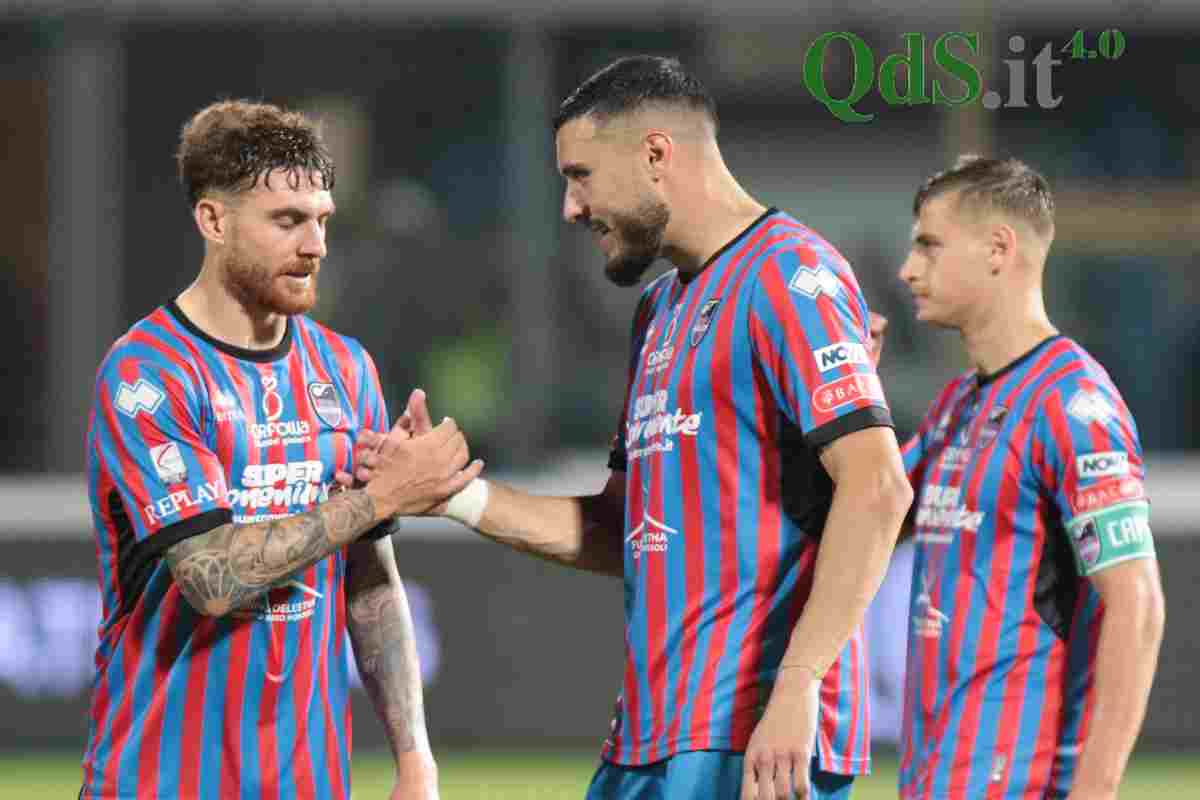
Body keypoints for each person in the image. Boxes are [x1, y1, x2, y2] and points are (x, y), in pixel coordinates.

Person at [347, 56, 911, 800]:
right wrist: (453, 495)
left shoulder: (789, 275)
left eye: (580, 176)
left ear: (655, 154)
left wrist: (800, 683)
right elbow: (624, 528)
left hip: (750, 736)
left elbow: (877, 487)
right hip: (649, 734)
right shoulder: (659, 310)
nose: (570, 208)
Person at [80, 100, 482, 800]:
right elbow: (210, 579)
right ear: (213, 221)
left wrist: (415, 758)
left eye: (322, 219)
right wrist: (380, 498)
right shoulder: (148, 373)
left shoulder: (344, 369)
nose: (315, 245)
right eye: (287, 221)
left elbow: (369, 582)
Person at [892, 155, 1166, 799]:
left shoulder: (1075, 405)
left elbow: (1137, 603)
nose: (908, 269)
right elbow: (868, 512)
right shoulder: (956, 405)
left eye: (929, 245)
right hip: (935, 773)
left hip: (1022, 779)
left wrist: (1096, 789)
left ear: (998, 248)